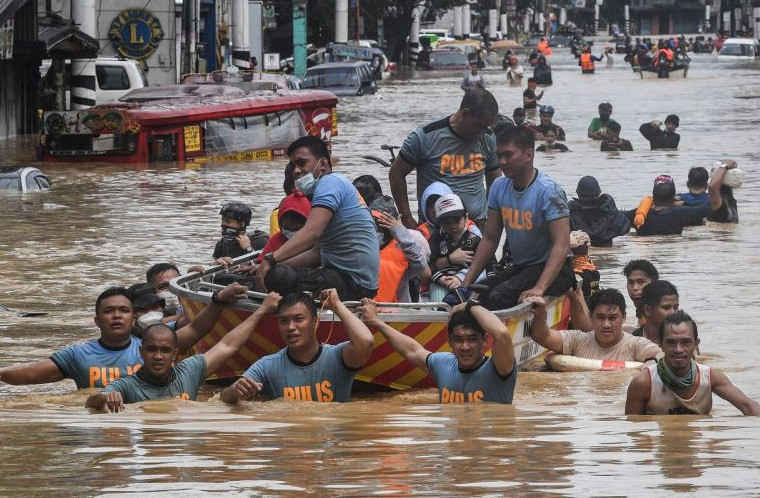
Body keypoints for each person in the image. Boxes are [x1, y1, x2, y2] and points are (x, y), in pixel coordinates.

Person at [0, 283, 247, 389]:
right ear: (97, 320)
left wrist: (217, 301)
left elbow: (196, 330)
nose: (116, 316)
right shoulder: (78, 355)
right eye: (109, 311)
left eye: (123, 311)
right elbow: (31, 373)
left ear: (133, 318)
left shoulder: (154, 348)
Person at [85, 292, 283, 412]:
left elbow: (227, 345)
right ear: (141, 352)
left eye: (165, 350)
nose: (158, 356)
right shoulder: (126, 385)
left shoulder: (190, 370)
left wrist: (261, 311)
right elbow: (91, 403)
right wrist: (103, 398)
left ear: (175, 354)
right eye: (151, 349)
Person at [459, 126, 575, 310]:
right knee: (478, 292)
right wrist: (465, 284)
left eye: (508, 155)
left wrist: (539, 288)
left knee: (500, 296)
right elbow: (490, 239)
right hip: (522, 267)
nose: (502, 162)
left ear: (529, 154)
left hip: (557, 270)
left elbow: (562, 245)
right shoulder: (498, 186)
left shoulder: (548, 192)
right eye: (499, 156)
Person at [255, 136, 380, 300]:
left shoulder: (329, 183)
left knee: (279, 276)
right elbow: (316, 254)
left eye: (301, 163)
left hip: (355, 284)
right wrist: (266, 266)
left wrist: (270, 261)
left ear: (322, 164)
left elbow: (311, 232)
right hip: (348, 279)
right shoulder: (329, 187)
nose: (296, 171)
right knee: (274, 271)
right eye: (293, 165)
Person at [220, 290, 374, 403]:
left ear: (315, 322)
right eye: (283, 321)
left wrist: (337, 306)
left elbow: (366, 342)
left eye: (298, 319)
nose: (290, 327)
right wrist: (235, 392)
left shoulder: (337, 356)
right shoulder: (267, 365)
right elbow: (223, 398)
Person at [359, 298, 517, 404]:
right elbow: (412, 350)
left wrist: (470, 304)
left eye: (472, 339)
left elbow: (502, 334)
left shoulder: (499, 368)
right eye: (458, 339)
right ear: (449, 341)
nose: (465, 346)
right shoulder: (443, 364)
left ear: (484, 340)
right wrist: (377, 322)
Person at [389, 89, 501, 230]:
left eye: (487, 127)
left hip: (476, 226)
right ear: (465, 113)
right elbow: (396, 174)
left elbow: (495, 181)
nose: (484, 131)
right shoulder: (424, 137)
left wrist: (492, 218)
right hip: (435, 227)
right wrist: (407, 220)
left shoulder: (488, 138)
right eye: (481, 126)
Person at [625, 311, 760, 416]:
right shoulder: (643, 382)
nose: (678, 350)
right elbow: (633, 429)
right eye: (671, 342)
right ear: (660, 344)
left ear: (696, 344)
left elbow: (750, 408)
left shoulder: (711, 377)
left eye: (686, 342)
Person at [527, 289, 662, 364]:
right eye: (600, 317)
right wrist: (540, 315)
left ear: (624, 317)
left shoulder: (635, 344)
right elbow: (542, 336)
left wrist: (650, 364)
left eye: (613, 318)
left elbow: (662, 355)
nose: (606, 325)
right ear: (590, 316)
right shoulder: (578, 340)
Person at [427, 194, 492, 300]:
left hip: (469, 279)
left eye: (457, 220)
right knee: (440, 305)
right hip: (442, 280)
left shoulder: (475, 239)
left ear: (466, 217)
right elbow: (428, 264)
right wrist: (441, 279)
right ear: (438, 222)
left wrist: (461, 278)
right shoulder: (435, 240)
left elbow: (489, 263)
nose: (452, 226)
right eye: (446, 222)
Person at [371, 196, 428, 303]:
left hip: (398, 310)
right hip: (367, 307)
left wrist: (399, 230)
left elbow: (420, 264)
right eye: (376, 224)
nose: (379, 229)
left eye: (386, 224)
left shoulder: (405, 245)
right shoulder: (362, 247)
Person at [627, 173, 724, 235]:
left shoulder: (637, 215)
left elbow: (616, 216)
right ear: (673, 196)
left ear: (653, 196)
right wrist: (723, 167)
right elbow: (714, 205)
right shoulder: (681, 213)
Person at [568, 176, 630, 247]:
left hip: (582, 252)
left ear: (577, 192)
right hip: (608, 252)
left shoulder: (571, 211)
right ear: (599, 192)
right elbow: (625, 227)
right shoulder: (609, 208)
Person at [623, 259, 659, 325]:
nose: (635, 288)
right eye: (631, 282)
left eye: (641, 282)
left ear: (654, 283)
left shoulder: (659, 315)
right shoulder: (642, 311)